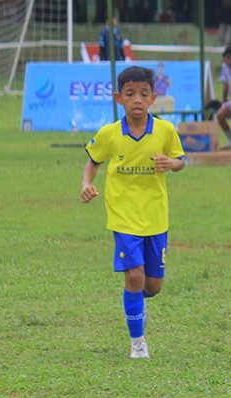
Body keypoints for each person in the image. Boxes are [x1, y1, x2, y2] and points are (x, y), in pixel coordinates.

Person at [79, 66, 187, 360]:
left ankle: (138, 302)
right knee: (135, 277)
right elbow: (93, 161)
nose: (136, 100)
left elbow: (180, 160)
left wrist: (171, 164)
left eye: (143, 94)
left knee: (153, 285)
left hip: (155, 216)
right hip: (123, 216)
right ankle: (138, 342)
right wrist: (86, 183)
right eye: (130, 94)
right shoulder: (110, 134)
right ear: (119, 98)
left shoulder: (165, 130)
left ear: (153, 98)